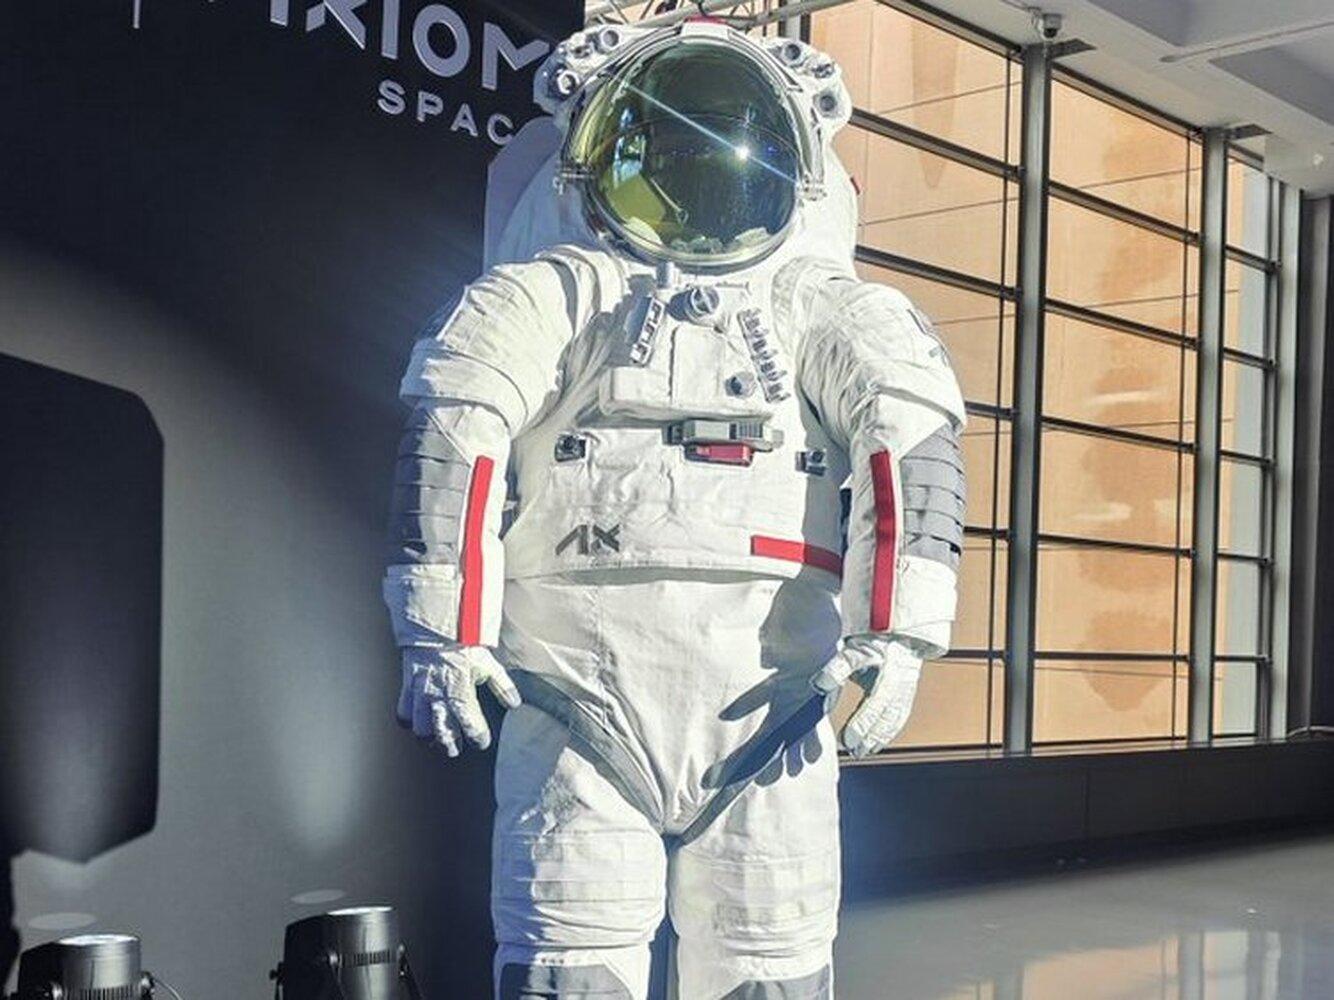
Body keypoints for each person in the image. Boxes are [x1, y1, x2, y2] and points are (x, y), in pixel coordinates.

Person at [383, 19, 966, 1000]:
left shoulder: (816, 302)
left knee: (768, 965)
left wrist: (899, 634)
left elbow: (906, 438)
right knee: (565, 962)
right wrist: (440, 632)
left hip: (765, 703)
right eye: (674, 147)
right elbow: (458, 422)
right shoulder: (556, 291)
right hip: (577, 695)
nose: (703, 176)